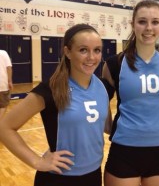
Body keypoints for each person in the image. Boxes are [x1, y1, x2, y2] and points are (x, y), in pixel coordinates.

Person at [0, 24, 114, 186]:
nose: (91, 57)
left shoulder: (103, 87)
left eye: (97, 50)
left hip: (94, 175)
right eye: (83, 50)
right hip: (58, 178)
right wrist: (37, 162)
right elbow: (5, 127)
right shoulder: (51, 90)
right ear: (67, 52)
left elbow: (102, 126)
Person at [102, 0, 159, 186]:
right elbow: (100, 99)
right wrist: (109, 126)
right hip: (124, 150)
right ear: (133, 24)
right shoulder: (114, 63)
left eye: (155, 22)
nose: (148, 28)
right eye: (142, 21)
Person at [0, 49, 13, 119]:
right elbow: (9, 67)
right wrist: (10, 81)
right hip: (2, 84)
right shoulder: (3, 53)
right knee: (3, 106)